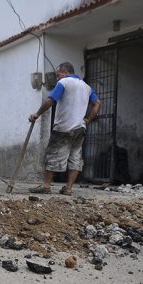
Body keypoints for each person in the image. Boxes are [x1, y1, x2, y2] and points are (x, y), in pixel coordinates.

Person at [28, 62, 101, 195]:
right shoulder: (87, 87)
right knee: (75, 157)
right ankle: (68, 188)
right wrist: (88, 119)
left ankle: (46, 186)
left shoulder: (64, 82)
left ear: (66, 73)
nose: (57, 78)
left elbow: (50, 100)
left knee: (52, 155)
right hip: (80, 128)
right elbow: (97, 103)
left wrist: (37, 114)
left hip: (64, 127)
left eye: (58, 75)